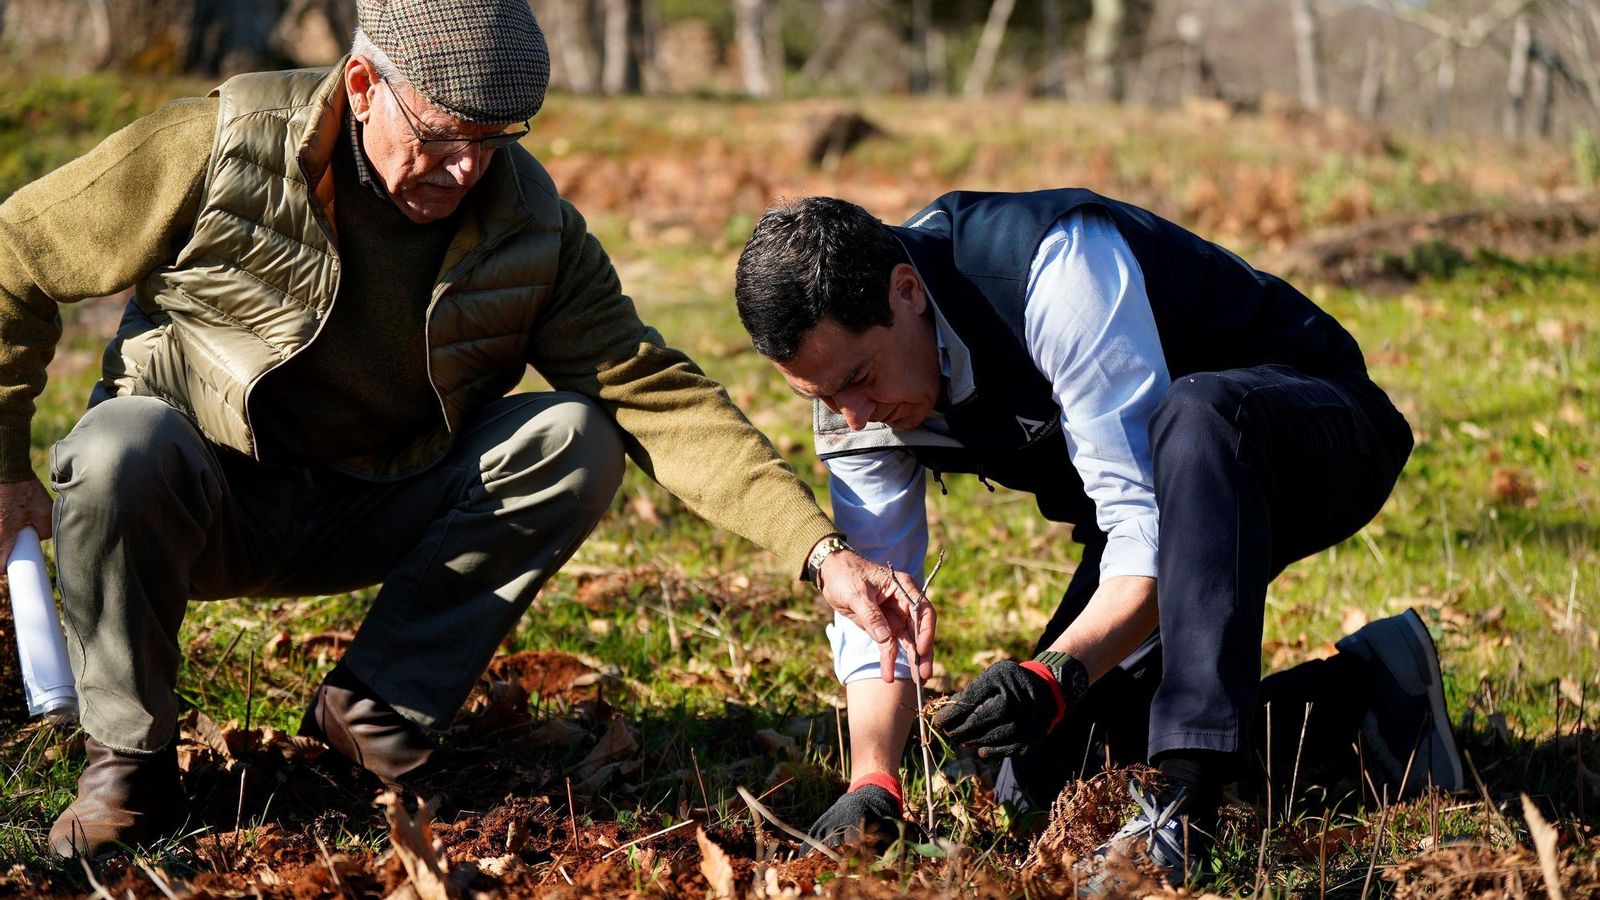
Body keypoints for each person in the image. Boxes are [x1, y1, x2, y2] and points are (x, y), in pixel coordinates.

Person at [0, 0, 933, 860]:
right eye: (444, 137)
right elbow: (16, 255)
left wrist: (819, 551)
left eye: (493, 142)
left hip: (377, 500)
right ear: (363, 87)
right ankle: (127, 761)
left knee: (575, 434)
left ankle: (376, 715)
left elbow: (655, 392)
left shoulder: (528, 225)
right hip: (196, 496)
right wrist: (3, 467)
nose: (466, 170)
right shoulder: (220, 143)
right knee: (117, 448)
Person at [733, 191, 1462, 884]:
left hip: (1311, 433)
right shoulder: (851, 390)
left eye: (859, 379)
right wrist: (875, 777)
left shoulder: (1056, 269)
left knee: (1199, 414)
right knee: (1044, 779)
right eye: (823, 397)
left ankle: (1185, 802)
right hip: (1168, 509)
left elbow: (1147, 528)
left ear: (906, 291)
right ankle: (1374, 696)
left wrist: (1057, 673)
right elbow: (876, 606)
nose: (854, 416)